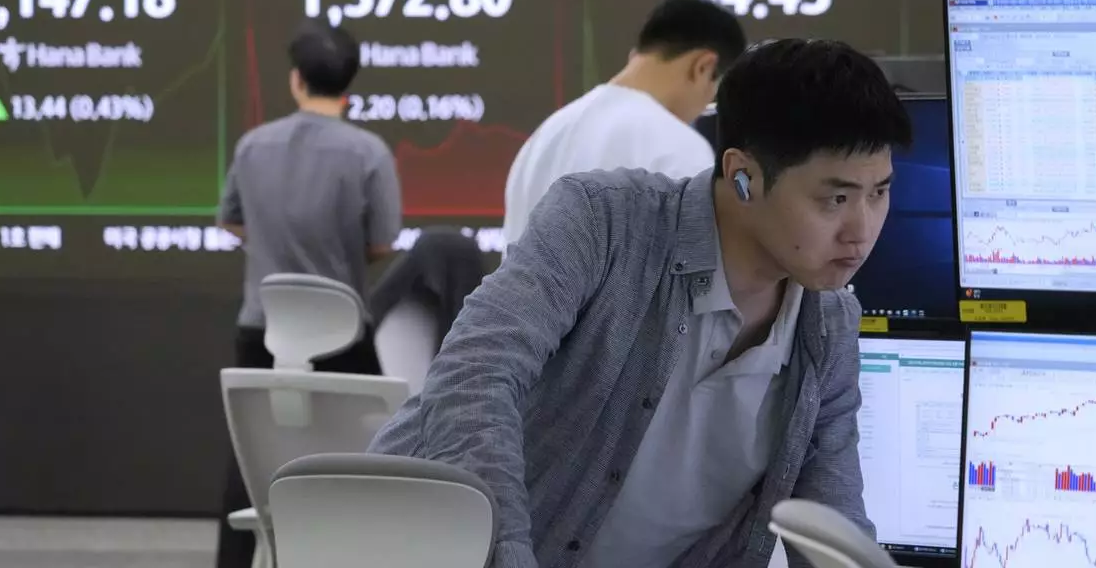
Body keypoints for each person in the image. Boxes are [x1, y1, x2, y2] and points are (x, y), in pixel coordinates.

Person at [370, 38, 913, 568]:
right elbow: (473, 375)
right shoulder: (603, 223)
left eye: (879, 193)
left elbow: (832, 523)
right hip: (421, 545)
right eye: (835, 199)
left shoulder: (828, 326)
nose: (861, 230)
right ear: (743, 177)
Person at [215, 18, 402, 568]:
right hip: (343, 336)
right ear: (349, 83)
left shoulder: (253, 145)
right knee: (367, 463)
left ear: (296, 79)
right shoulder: (369, 153)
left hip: (263, 331)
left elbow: (232, 220)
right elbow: (381, 242)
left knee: (250, 459)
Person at [502, 0, 747, 246]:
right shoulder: (677, 147)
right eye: (712, 96)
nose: (702, 109)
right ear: (703, 67)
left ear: (636, 55)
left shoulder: (543, 138)